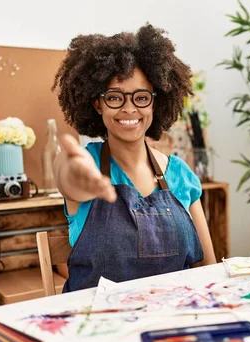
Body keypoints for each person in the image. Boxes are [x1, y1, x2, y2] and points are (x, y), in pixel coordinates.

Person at [52, 24, 216, 292]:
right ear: (98, 104)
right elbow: (67, 175)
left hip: (172, 319)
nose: (129, 108)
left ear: (155, 102)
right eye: (115, 97)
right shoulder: (85, 164)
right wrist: (76, 175)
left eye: (141, 97)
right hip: (97, 324)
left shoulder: (180, 174)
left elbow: (207, 270)